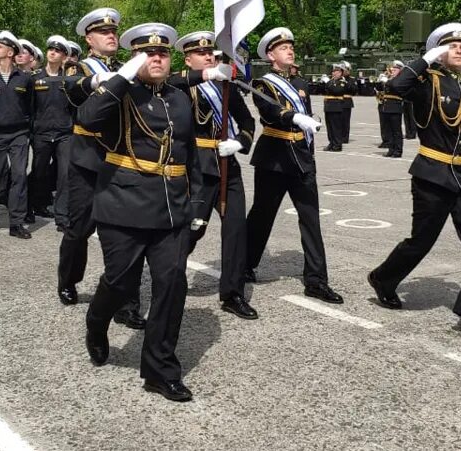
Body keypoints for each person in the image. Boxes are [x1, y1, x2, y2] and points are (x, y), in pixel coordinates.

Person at [78, 23, 196, 402]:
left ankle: (160, 370)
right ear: (135, 58)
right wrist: (120, 78)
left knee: (173, 282)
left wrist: (196, 206)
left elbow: (188, 154)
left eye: (162, 53)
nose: (157, 58)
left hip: (171, 208)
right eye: (147, 54)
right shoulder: (120, 93)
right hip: (124, 204)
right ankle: (97, 321)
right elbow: (87, 118)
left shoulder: (178, 98)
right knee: (122, 282)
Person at [367, 23, 461, 341]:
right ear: (439, 52)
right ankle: (383, 278)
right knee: (421, 242)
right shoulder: (425, 82)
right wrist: (425, 60)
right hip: (432, 175)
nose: (459, 49)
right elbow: (393, 89)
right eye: (451, 45)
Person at [57, 8, 145, 325]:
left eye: (113, 31)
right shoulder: (76, 66)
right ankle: (68, 280)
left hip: (121, 159)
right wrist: (96, 79)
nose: (111, 35)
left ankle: (126, 302)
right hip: (86, 158)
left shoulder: (127, 68)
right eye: (103, 32)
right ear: (89, 38)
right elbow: (72, 88)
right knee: (79, 229)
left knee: (125, 234)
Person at [244, 27, 342, 304]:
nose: (290, 50)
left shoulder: (300, 82)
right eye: (283, 48)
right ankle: (245, 264)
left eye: (291, 46)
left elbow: (305, 116)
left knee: (311, 218)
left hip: (301, 156)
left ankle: (316, 280)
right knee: (263, 215)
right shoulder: (264, 83)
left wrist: (309, 136)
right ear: (271, 55)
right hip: (274, 157)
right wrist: (295, 118)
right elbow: (271, 112)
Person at [168, 31, 256, 319]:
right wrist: (206, 75)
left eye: (211, 53)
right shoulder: (183, 84)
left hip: (227, 163)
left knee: (236, 230)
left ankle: (232, 293)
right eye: (201, 53)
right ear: (188, 57)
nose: (208, 56)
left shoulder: (224, 86)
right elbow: (171, 82)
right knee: (193, 228)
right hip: (197, 166)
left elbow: (247, 120)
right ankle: (169, 280)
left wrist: (240, 142)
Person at [0, 31, 35, 239]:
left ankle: (16, 223)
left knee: (19, 175)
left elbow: (30, 107)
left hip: (19, 133)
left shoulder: (25, 79)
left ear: (10, 52)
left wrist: (28, 131)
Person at [29, 35, 76, 227]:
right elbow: (30, 108)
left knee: (64, 174)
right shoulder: (35, 78)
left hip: (64, 133)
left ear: (64, 56)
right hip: (41, 132)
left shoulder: (69, 80)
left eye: (57, 51)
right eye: (50, 49)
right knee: (39, 172)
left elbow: (74, 107)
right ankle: (31, 206)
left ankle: (62, 216)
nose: (52, 52)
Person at [377, 61, 405, 158]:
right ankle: (391, 149)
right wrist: (379, 81)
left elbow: (395, 86)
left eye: (395, 69)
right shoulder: (390, 79)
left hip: (395, 107)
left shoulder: (401, 80)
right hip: (387, 106)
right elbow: (379, 89)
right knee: (389, 130)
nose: (392, 70)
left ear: (400, 70)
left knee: (396, 131)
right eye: (392, 69)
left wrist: (387, 81)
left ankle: (398, 151)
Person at [322, 64, 349, 152]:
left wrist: (327, 83)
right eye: (333, 71)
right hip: (329, 106)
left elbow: (337, 91)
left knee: (336, 127)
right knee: (329, 127)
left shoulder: (342, 82)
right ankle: (331, 143)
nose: (334, 73)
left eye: (337, 72)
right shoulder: (331, 81)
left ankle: (337, 145)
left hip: (336, 107)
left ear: (341, 73)